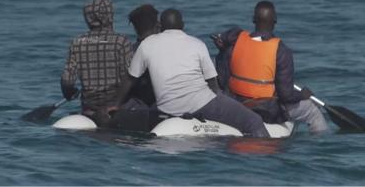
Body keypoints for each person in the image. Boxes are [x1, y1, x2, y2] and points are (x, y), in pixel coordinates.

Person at [113, 8, 270, 137]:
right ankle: (265, 162)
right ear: (183, 25)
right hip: (201, 104)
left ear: (161, 26)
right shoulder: (197, 44)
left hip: (167, 107)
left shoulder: (146, 45)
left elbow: (130, 79)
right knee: (253, 121)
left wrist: (115, 104)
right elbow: (213, 87)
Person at [213, 0, 328, 134]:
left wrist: (222, 50)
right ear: (275, 21)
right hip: (265, 108)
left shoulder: (236, 40)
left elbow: (222, 77)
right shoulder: (281, 51)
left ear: (253, 20)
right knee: (312, 111)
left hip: (235, 102)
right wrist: (302, 95)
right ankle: (321, 143)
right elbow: (286, 96)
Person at [61, 0, 150, 131]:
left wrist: (70, 93)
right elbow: (133, 78)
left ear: (87, 17)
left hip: (89, 110)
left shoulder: (78, 43)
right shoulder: (121, 42)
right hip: (118, 108)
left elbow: (67, 82)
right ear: (110, 15)